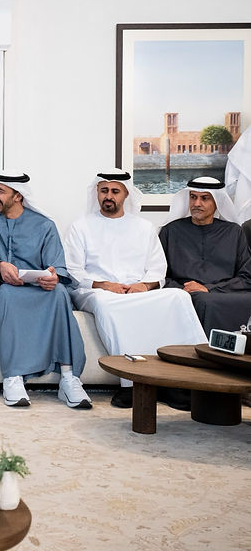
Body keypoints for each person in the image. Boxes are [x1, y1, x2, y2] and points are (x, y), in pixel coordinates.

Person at [63, 170, 205, 409]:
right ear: (97, 192)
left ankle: (188, 380)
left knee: (178, 296)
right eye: (104, 191)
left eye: (115, 191)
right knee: (107, 304)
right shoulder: (81, 227)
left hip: (138, 291)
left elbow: (158, 268)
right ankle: (131, 384)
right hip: (96, 291)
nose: (109, 196)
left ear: (126, 194)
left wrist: (144, 285)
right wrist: (105, 285)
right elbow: (73, 270)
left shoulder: (143, 227)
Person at [0, 170, 91, 409]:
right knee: (8, 295)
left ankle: (69, 378)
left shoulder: (44, 225)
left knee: (60, 294)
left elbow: (58, 267)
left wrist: (53, 277)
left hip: (40, 288)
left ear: (18, 196)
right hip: (6, 288)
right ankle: (13, 377)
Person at [159, 177, 251, 334]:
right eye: (193, 197)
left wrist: (208, 289)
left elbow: (247, 277)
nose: (196, 203)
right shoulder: (170, 231)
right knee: (203, 301)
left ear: (217, 202)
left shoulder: (234, 232)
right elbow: (159, 274)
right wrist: (183, 289)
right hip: (184, 292)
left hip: (225, 292)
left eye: (204, 198)